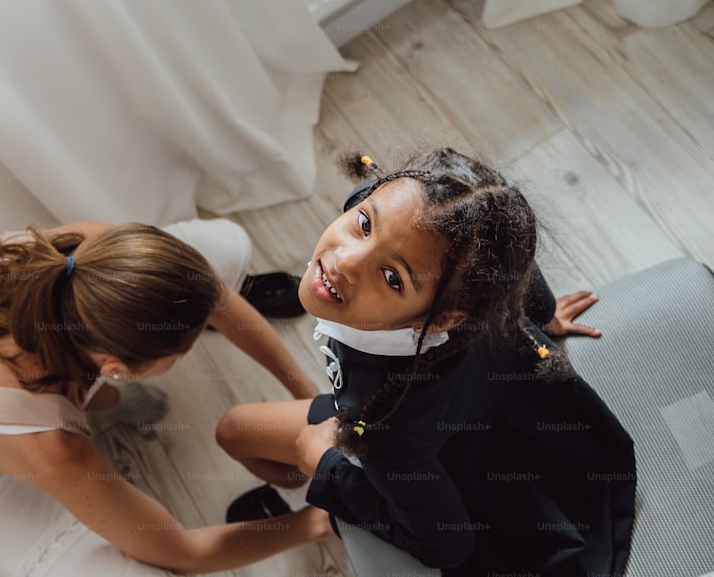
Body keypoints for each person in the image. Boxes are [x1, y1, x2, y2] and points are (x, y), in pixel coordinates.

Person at [215, 148, 635, 575]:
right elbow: (511, 254)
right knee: (233, 430)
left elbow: (446, 545)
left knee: (235, 432)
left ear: (443, 319)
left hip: (439, 447)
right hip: (472, 403)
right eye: (364, 225)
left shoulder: (388, 427)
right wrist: (543, 314)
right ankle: (299, 495)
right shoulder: (419, 221)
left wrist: (325, 469)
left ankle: (317, 510)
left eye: (393, 277)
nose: (344, 262)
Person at [0, 218, 328, 576]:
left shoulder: (84, 255)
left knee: (226, 245)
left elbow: (217, 298)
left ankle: (110, 399)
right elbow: (181, 552)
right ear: (115, 368)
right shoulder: (50, 446)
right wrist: (323, 519)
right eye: (183, 349)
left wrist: (308, 399)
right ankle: (107, 402)